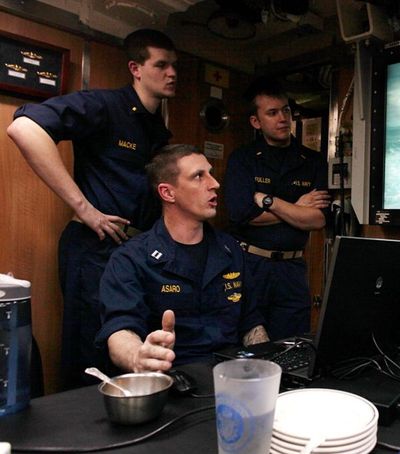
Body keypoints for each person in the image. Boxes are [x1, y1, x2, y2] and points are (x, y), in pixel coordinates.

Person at [6, 29, 178, 388]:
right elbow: (24, 128)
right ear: (135, 68)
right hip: (95, 247)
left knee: (129, 351)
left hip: (137, 252)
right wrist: (84, 208)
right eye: (161, 65)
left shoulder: (157, 132)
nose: (171, 73)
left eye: (173, 66)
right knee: (89, 355)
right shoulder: (105, 105)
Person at [96, 144, 269, 372]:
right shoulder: (131, 258)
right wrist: (138, 357)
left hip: (231, 377)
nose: (214, 184)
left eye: (210, 173)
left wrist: (268, 372)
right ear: (168, 193)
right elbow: (120, 330)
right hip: (172, 378)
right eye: (199, 176)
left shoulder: (230, 249)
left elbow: (251, 324)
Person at [224, 77, 330, 341]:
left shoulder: (313, 161)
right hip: (251, 265)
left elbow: (317, 219)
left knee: (293, 347)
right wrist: (297, 209)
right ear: (256, 122)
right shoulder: (243, 159)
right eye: (272, 113)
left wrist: (270, 202)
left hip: (292, 269)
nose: (283, 118)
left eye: (286, 110)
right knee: (248, 347)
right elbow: (242, 215)